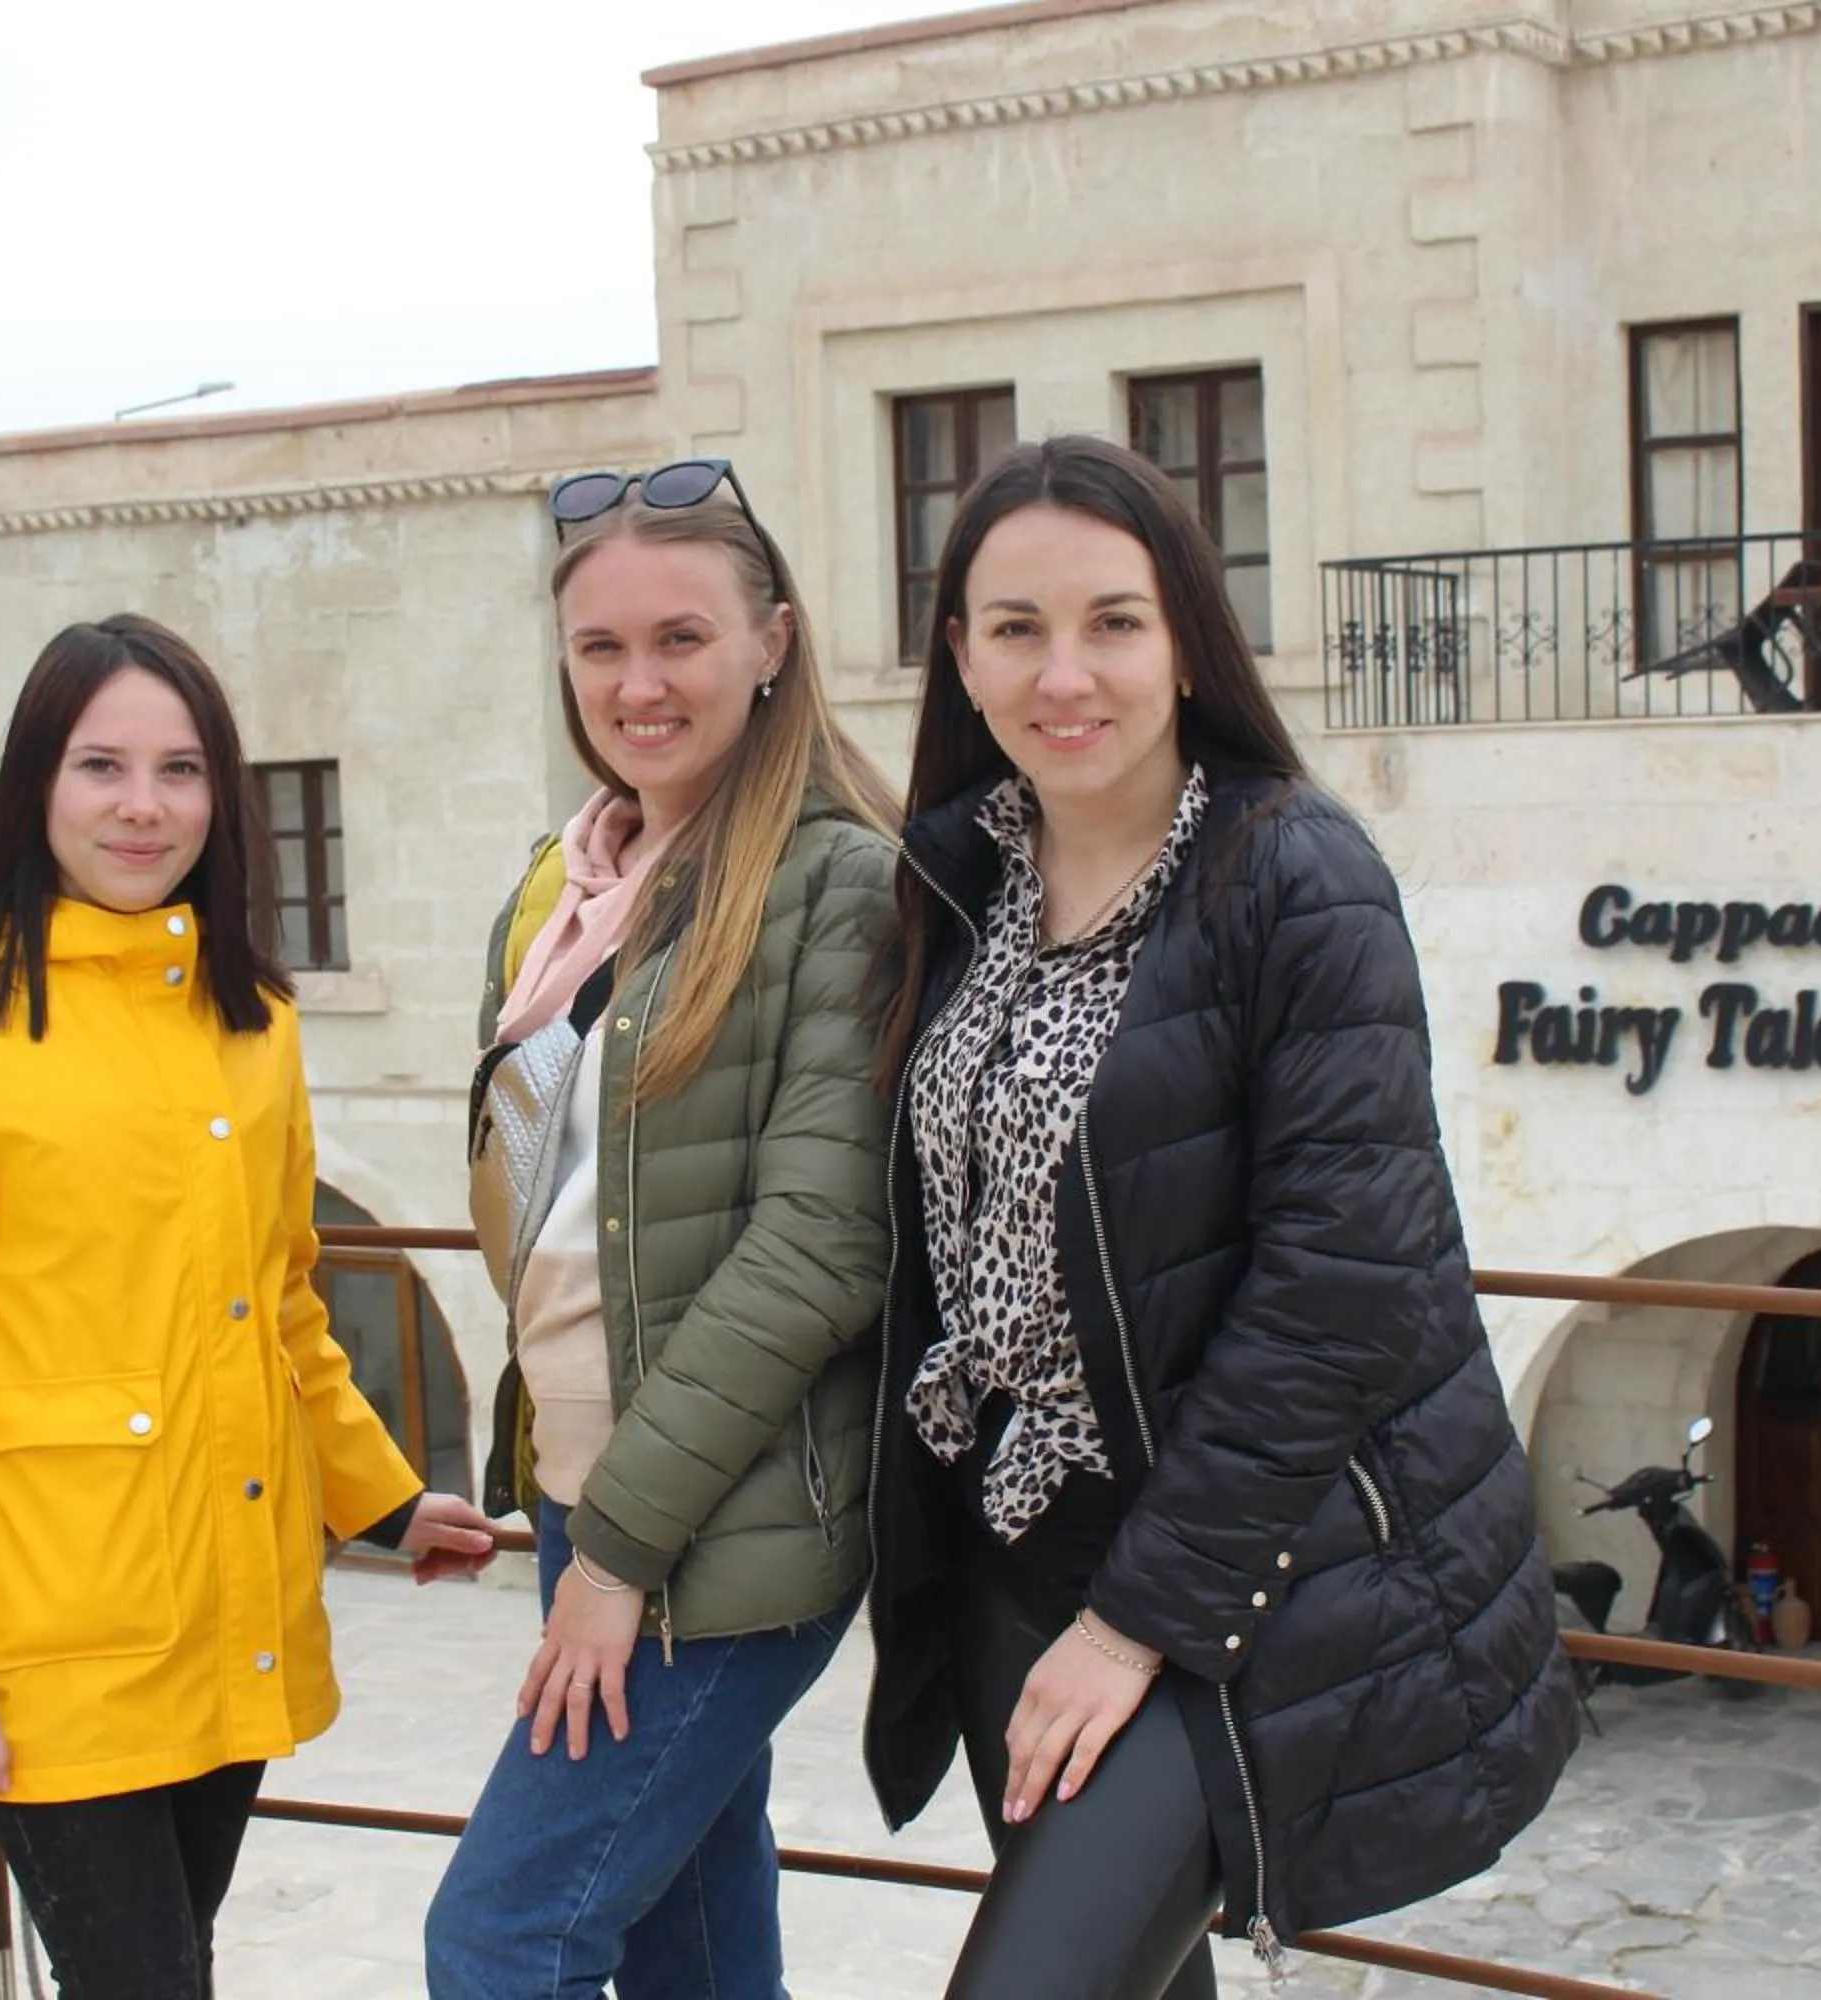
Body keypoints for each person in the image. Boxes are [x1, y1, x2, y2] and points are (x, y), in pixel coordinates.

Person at [862, 435, 1580, 1998]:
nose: (1069, 673)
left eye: (1115, 621)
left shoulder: (1294, 878)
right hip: (1007, 1551)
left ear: (1188, 635)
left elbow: (1346, 1279)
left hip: (1220, 1580)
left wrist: (1137, 1623)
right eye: (1017, 627)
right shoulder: (952, 882)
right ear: (960, 655)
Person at [0, 613, 499, 2000]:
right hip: (47, 1634)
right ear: (37, 785)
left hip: (224, 1597)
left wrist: (380, 1498)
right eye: (102, 767)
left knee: (170, 1966)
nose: (145, 807)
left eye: (182, 771)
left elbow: (284, 1301)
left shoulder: (250, 1019)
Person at [422, 460, 899, 1999]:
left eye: (680, 639)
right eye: (601, 650)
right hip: (597, 1495)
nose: (638, 685)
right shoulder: (575, 891)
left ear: (773, 641)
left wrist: (618, 1553)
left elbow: (822, 1242)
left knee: (505, 1939)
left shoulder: (841, 883)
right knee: (691, 1953)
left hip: (710, 1537)